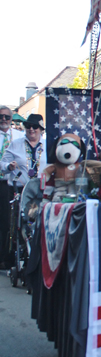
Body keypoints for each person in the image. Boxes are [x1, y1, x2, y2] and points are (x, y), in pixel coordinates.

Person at [0, 107, 23, 266]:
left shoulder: (19, 136)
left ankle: (6, 258)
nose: (4, 119)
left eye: (7, 117)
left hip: (9, 183)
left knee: (8, 220)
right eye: (1, 116)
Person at [0, 114, 47, 188]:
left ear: (41, 129)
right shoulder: (15, 144)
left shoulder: (47, 145)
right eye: (28, 126)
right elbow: (2, 164)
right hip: (19, 189)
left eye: (35, 126)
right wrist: (9, 166)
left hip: (42, 189)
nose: (31, 129)